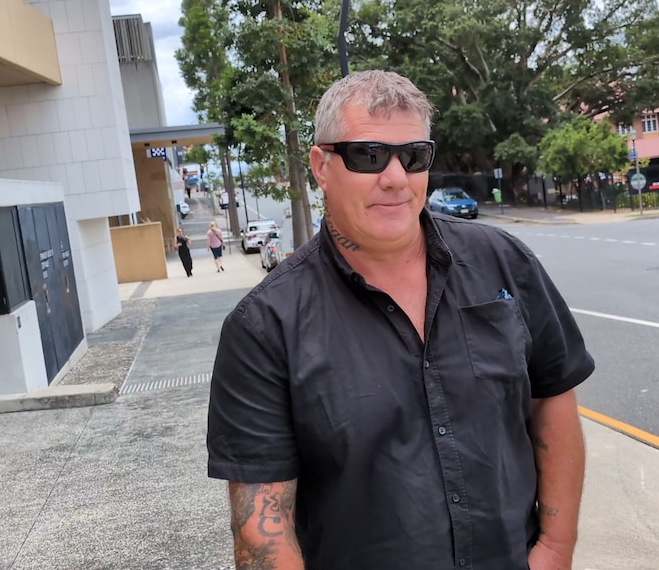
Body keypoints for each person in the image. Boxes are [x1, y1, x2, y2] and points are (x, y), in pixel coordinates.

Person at [206, 70, 595, 570]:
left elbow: (553, 401)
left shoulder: (504, 264)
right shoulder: (264, 328)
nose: (394, 177)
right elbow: (264, 531)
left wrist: (556, 548)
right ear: (321, 166)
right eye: (368, 155)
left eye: (413, 156)